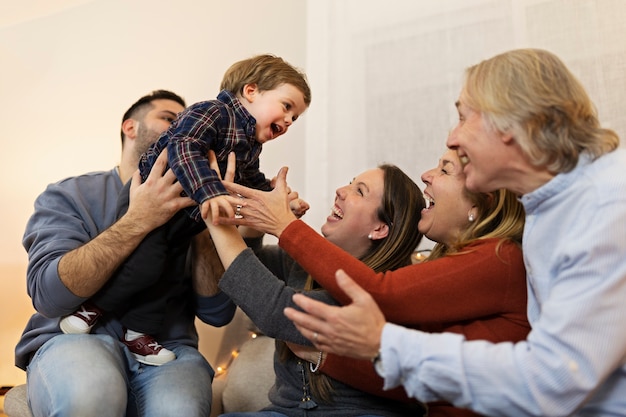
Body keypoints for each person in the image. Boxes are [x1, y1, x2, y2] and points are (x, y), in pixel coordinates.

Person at [285, 48, 626, 416]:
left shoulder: (607, 206)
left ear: (512, 122)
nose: (453, 138)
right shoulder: (547, 215)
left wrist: (386, 345)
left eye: (464, 118)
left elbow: (554, 381)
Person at [207, 148, 529, 416]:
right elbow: (243, 272)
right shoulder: (447, 266)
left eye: (444, 170)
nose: (427, 175)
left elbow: (375, 294)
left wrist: (261, 222)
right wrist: (251, 223)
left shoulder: (498, 258)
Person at [60, 54, 311, 365]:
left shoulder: (250, 145)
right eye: (287, 107)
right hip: (150, 201)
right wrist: (209, 193)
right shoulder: (213, 112)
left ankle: (138, 332)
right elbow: (184, 146)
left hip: (182, 218)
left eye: (295, 118)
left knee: (168, 275)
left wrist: (277, 199)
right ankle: (93, 306)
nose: (288, 120)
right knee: (145, 264)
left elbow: (249, 180)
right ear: (251, 91)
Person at [17, 90, 236, 417]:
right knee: (89, 396)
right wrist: (139, 219)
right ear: (130, 127)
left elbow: (217, 314)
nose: (184, 130)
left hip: (168, 348)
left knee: (178, 410)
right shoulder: (68, 195)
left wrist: (208, 218)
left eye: (190, 124)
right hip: (72, 341)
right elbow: (49, 297)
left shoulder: (195, 206)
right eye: (170, 119)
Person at [206, 153, 427, 416]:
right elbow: (252, 269)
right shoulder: (302, 264)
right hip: (285, 411)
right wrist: (257, 223)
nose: (340, 191)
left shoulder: (378, 289)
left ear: (379, 229)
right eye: (350, 182)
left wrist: (213, 210)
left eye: (359, 191)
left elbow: (274, 310)